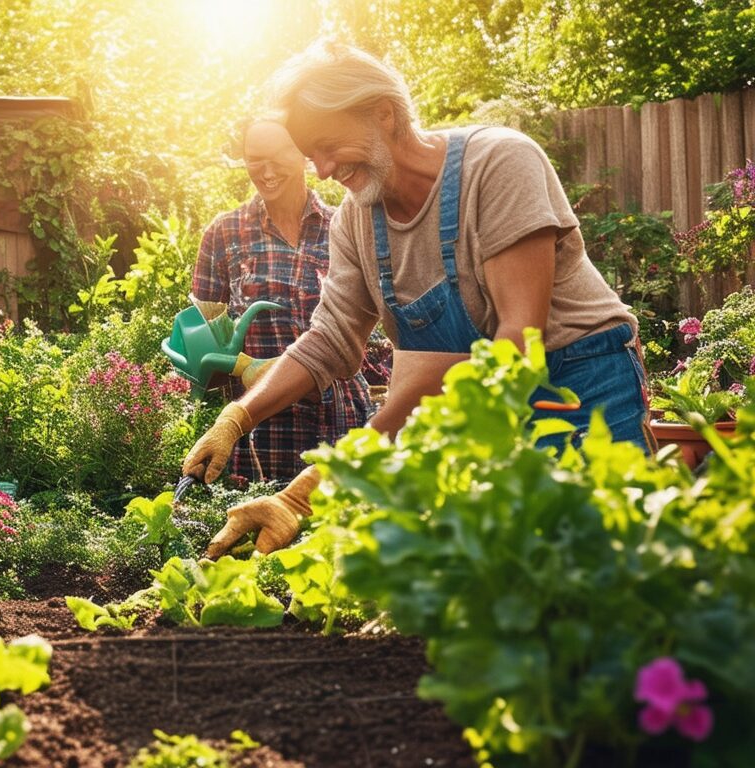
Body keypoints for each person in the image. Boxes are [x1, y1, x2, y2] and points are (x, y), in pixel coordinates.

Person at [187, 41, 654, 557]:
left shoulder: (497, 165)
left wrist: (322, 481)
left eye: (326, 145)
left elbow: (518, 345)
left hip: (579, 387)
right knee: (507, 593)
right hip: (475, 402)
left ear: (383, 114)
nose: (320, 169)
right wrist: (236, 419)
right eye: (310, 153)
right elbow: (329, 342)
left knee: (611, 568)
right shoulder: (357, 223)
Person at [192, 118, 372, 482]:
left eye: (278, 157)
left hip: (342, 423)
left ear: (304, 155)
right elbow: (197, 343)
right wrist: (245, 368)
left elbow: (375, 330)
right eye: (255, 159)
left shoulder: (347, 226)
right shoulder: (225, 234)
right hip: (261, 434)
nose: (267, 171)